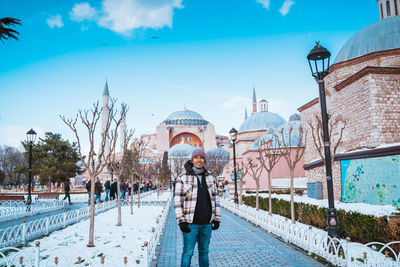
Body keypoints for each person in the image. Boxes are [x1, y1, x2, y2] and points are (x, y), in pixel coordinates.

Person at [174, 148, 221, 267]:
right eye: (196, 157)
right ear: (192, 160)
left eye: (201, 157)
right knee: (188, 253)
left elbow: (216, 199)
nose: (199, 160)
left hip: (207, 223)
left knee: (204, 252)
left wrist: (217, 218)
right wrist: (181, 221)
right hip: (191, 223)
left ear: (204, 160)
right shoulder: (183, 177)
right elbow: (177, 201)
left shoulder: (210, 177)